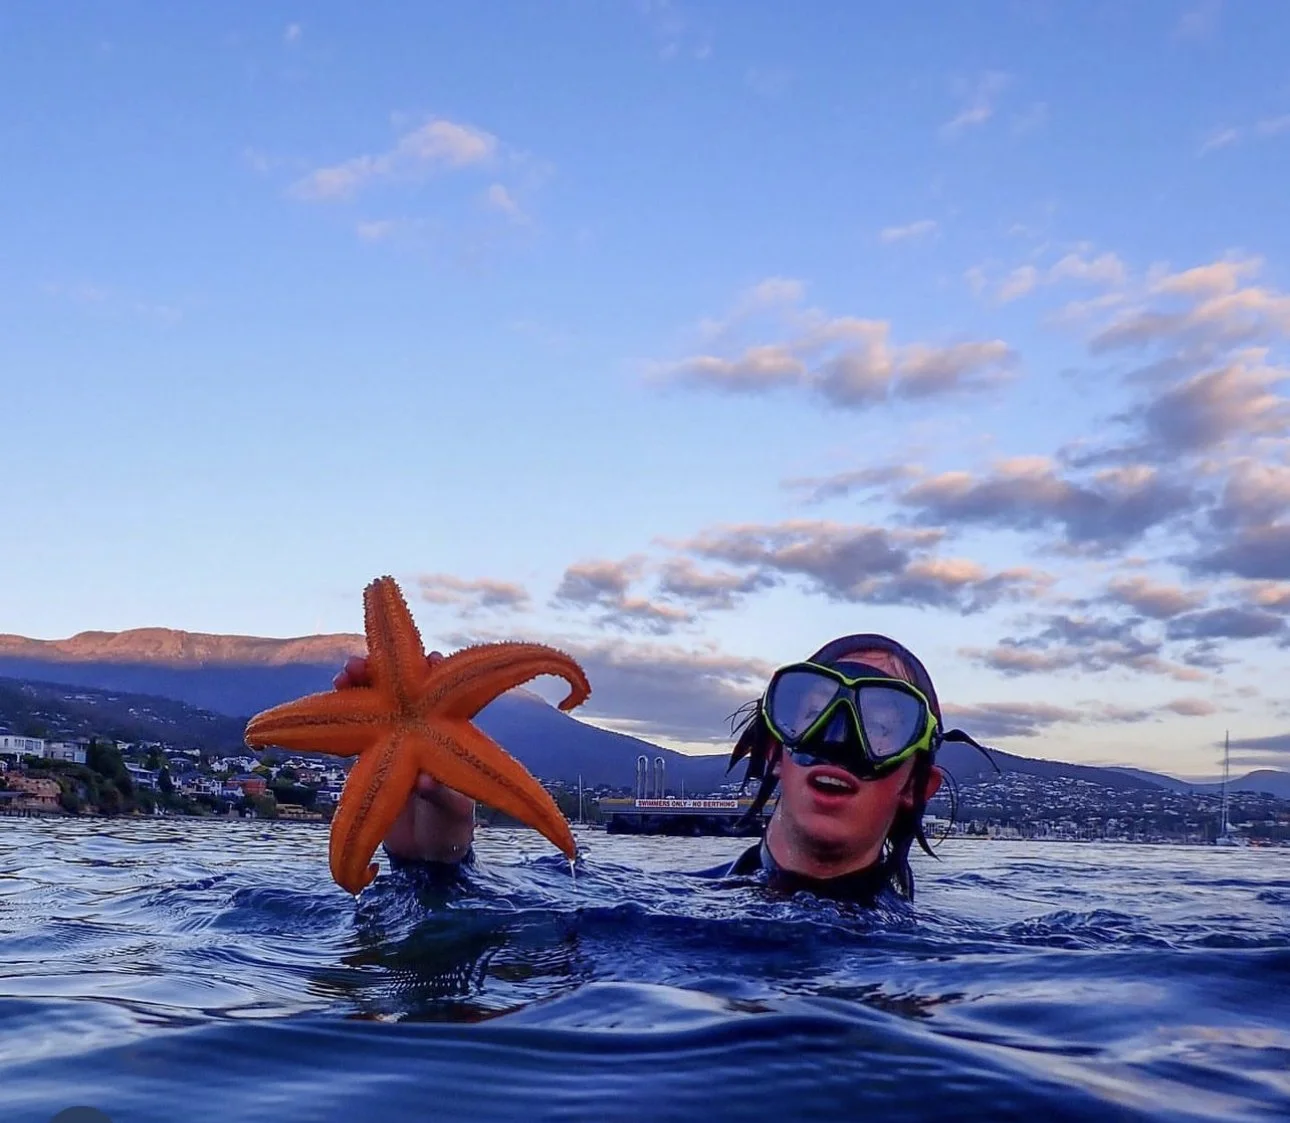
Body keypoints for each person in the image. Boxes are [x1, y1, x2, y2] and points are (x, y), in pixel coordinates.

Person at [331, 632, 990, 905]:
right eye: (813, 710)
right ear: (772, 748)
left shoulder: (948, 971)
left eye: (882, 723)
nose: (840, 742)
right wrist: (435, 868)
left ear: (916, 788)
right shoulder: (655, 904)